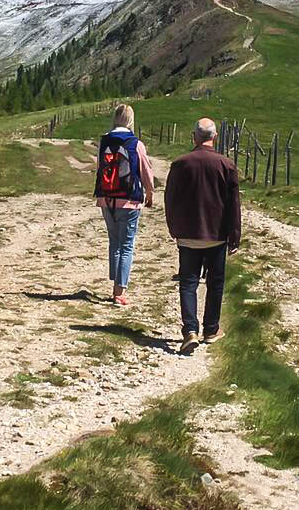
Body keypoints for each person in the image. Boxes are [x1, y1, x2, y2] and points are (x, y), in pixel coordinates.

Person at [163, 117, 241, 351]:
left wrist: (173, 227)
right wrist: (234, 235)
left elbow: (170, 199)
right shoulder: (227, 165)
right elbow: (233, 204)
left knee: (188, 282)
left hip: (188, 233)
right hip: (216, 234)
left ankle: (190, 331)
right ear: (214, 137)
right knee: (215, 283)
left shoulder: (180, 164)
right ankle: (211, 329)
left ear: (194, 137)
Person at [94, 102, 155, 306]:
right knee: (126, 245)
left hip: (106, 198)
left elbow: (99, 168)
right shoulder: (135, 143)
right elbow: (146, 170)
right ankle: (119, 291)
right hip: (129, 199)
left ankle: (115, 283)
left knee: (114, 241)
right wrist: (150, 191)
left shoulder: (104, 141)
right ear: (130, 120)